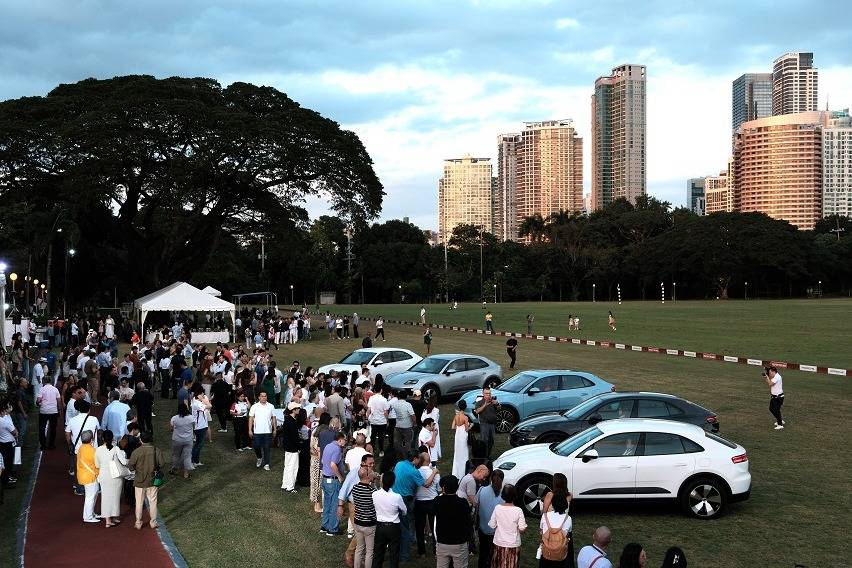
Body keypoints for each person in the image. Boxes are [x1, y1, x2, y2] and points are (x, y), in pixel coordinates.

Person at [127, 430, 165, 529]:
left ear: (140, 439)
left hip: (139, 481)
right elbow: (162, 464)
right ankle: (153, 522)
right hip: (152, 480)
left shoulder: (136, 452)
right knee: (153, 502)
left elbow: (130, 466)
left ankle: (138, 523)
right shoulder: (156, 450)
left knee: (139, 502)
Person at [372, 470, 407, 568]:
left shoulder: (375, 494)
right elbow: (404, 511)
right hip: (393, 527)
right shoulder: (397, 497)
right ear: (393, 482)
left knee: (378, 554)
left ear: (382, 481)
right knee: (394, 554)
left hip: (380, 527)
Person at [434, 474, 470, 568]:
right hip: (459, 542)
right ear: (457, 487)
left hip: (442, 542)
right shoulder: (463, 503)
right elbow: (468, 521)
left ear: (443, 487)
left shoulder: (437, 501)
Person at [488, 484, 527, 568]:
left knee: (498, 564)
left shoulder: (497, 508)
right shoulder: (518, 510)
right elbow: (522, 529)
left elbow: (492, 525)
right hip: (513, 544)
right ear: (515, 496)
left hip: (499, 542)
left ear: (502, 496)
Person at [95, 429, 127, 527]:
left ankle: (108, 519)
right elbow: (124, 462)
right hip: (115, 476)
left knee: (105, 497)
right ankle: (113, 516)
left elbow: (97, 464)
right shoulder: (115, 448)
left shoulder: (98, 449)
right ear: (112, 438)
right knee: (116, 497)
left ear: (102, 438)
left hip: (103, 475)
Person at [538, 487, 572, 567]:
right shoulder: (568, 518)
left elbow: (541, 531)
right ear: (565, 504)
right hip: (561, 554)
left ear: (552, 504)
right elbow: (569, 533)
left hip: (546, 551)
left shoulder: (545, 516)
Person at [320, 431, 346, 535]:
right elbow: (333, 464)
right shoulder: (337, 449)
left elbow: (323, 461)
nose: (345, 442)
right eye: (344, 440)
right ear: (339, 440)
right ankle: (333, 529)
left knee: (327, 504)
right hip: (333, 480)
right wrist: (340, 477)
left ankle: (325, 526)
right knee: (335, 505)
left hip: (325, 479)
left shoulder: (328, 446)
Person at [477, 469, 504, 568]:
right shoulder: (504, 496)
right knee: (495, 556)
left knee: (483, 552)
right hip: (496, 532)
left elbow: (476, 504)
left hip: (483, 528)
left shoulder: (481, 490)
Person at [351, 464, 377, 568]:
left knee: (359, 548)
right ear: (367, 476)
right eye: (371, 472)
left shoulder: (355, 488)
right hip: (369, 524)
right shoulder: (372, 491)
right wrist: (374, 482)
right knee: (369, 551)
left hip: (358, 521)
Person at [77, 429, 101, 523]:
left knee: (91, 496)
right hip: (90, 476)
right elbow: (97, 464)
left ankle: (90, 513)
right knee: (91, 496)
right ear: (92, 439)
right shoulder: (92, 450)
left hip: (84, 475)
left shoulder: (81, 448)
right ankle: (88, 517)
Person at [249, 390, 277, 470]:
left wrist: (274, 429)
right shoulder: (254, 406)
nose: (264, 397)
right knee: (256, 446)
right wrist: (250, 430)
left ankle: (266, 463)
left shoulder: (271, 406)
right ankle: (259, 457)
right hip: (257, 431)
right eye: (262, 396)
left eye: (265, 396)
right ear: (259, 397)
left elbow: (274, 418)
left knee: (267, 448)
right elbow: (251, 418)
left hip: (267, 431)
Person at [169, 403, 195, 479]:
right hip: (188, 440)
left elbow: (171, 429)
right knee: (187, 456)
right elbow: (194, 426)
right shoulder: (191, 418)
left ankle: (175, 469)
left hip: (177, 439)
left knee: (176, 455)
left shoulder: (174, 418)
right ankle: (186, 474)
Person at [280, 401, 301, 493]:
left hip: (288, 447)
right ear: (294, 410)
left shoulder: (287, 419)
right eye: (298, 408)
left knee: (287, 466)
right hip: (293, 448)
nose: (299, 410)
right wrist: (299, 446)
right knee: (293, 467)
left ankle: (285, 484)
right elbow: (294, 437)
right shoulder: (292, 421)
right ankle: (290, 486)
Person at [36, 376, 62, 450]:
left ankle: (43, 445)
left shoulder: (42, 389)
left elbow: (39, 400)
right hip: (53, 411)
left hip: (43, 411)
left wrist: (38, 403)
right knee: (53, 428)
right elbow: (58, 401)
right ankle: (51, 444)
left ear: (44, 381)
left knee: (42, 428)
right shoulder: (55, 389)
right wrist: (59, 410)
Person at [474, 387, 500, 457]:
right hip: (484, 424)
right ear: (483, 394)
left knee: (491, 441)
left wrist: (497, 404)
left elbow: (499, 408)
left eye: (489, 393)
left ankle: (488, 455)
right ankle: (483, 456)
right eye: (487, 394)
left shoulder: (493, 401)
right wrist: (485, 405)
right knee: (484, 441)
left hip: (492, 424)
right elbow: (477, 411)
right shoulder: (480, 402)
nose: (488, 395)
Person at [190, 386, 211, 467]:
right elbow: (209, 406)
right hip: (199, 427)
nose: (204, 395)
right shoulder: (197, 403)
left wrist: (203, 400)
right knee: (198, 445)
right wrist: (204, 400)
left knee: (199, 445)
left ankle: (196, 461)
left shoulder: (196, 402)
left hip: (202, 425)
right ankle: (192, 461)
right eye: (202, 394)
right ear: (199, 394)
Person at [0, 403, 19, 488]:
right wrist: (16, 433)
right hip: (8, 444)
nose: (10, 408)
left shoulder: (6, 417)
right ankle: (7, 479)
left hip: (4, 443)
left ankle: (8, 476)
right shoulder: (3, 421)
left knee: (6, 462)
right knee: (8, 462)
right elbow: (14, 431)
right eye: (8, 407)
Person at [367, 386, 390, 457]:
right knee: (381, 437)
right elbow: (385, 412)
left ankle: (372, 450)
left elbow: (369, 410)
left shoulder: (371, 398)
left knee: (373, 436)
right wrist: (387, 420)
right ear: (381, 390)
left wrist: (367, 417)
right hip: (382, 421)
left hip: (373, 420)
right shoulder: (384, 399)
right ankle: (381, 451)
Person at [452, 399, 471, 479]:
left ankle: (456, 472)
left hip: (458, 435)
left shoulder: (456, 416)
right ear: (465, 407)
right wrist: (471, 426)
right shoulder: (465, 417)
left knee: (457, 452)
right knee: (464, 452)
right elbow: (467, 429)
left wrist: (459, 427)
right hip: (463, 436)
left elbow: (453, 427)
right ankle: (463, 471)